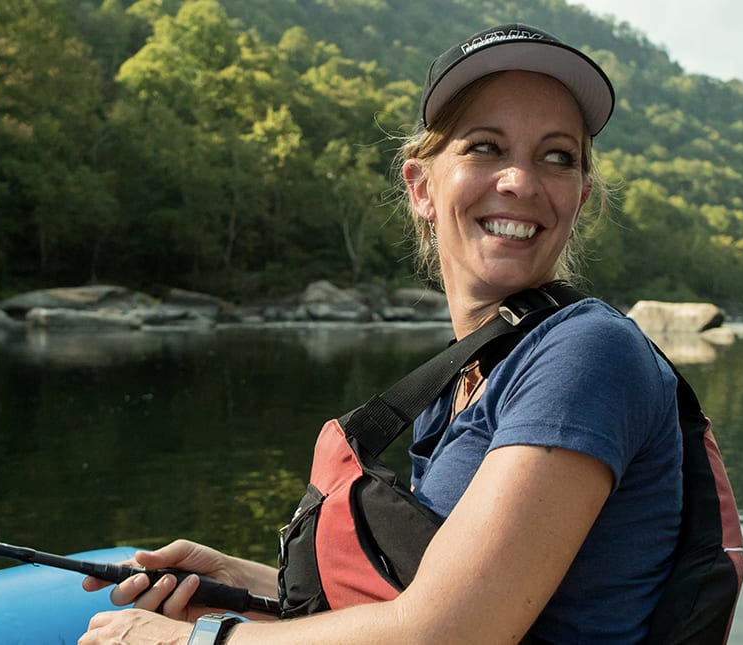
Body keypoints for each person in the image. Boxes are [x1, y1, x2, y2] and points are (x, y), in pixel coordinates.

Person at [80, 23, 683, 644]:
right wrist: (244, 585)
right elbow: (423, 598)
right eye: (485, 147)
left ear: (580, 197)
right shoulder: (461, 382)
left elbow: (451, 633)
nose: (520, 182)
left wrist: (195, 640)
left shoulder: (585, 353)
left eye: (556, 157)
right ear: (421, 187)